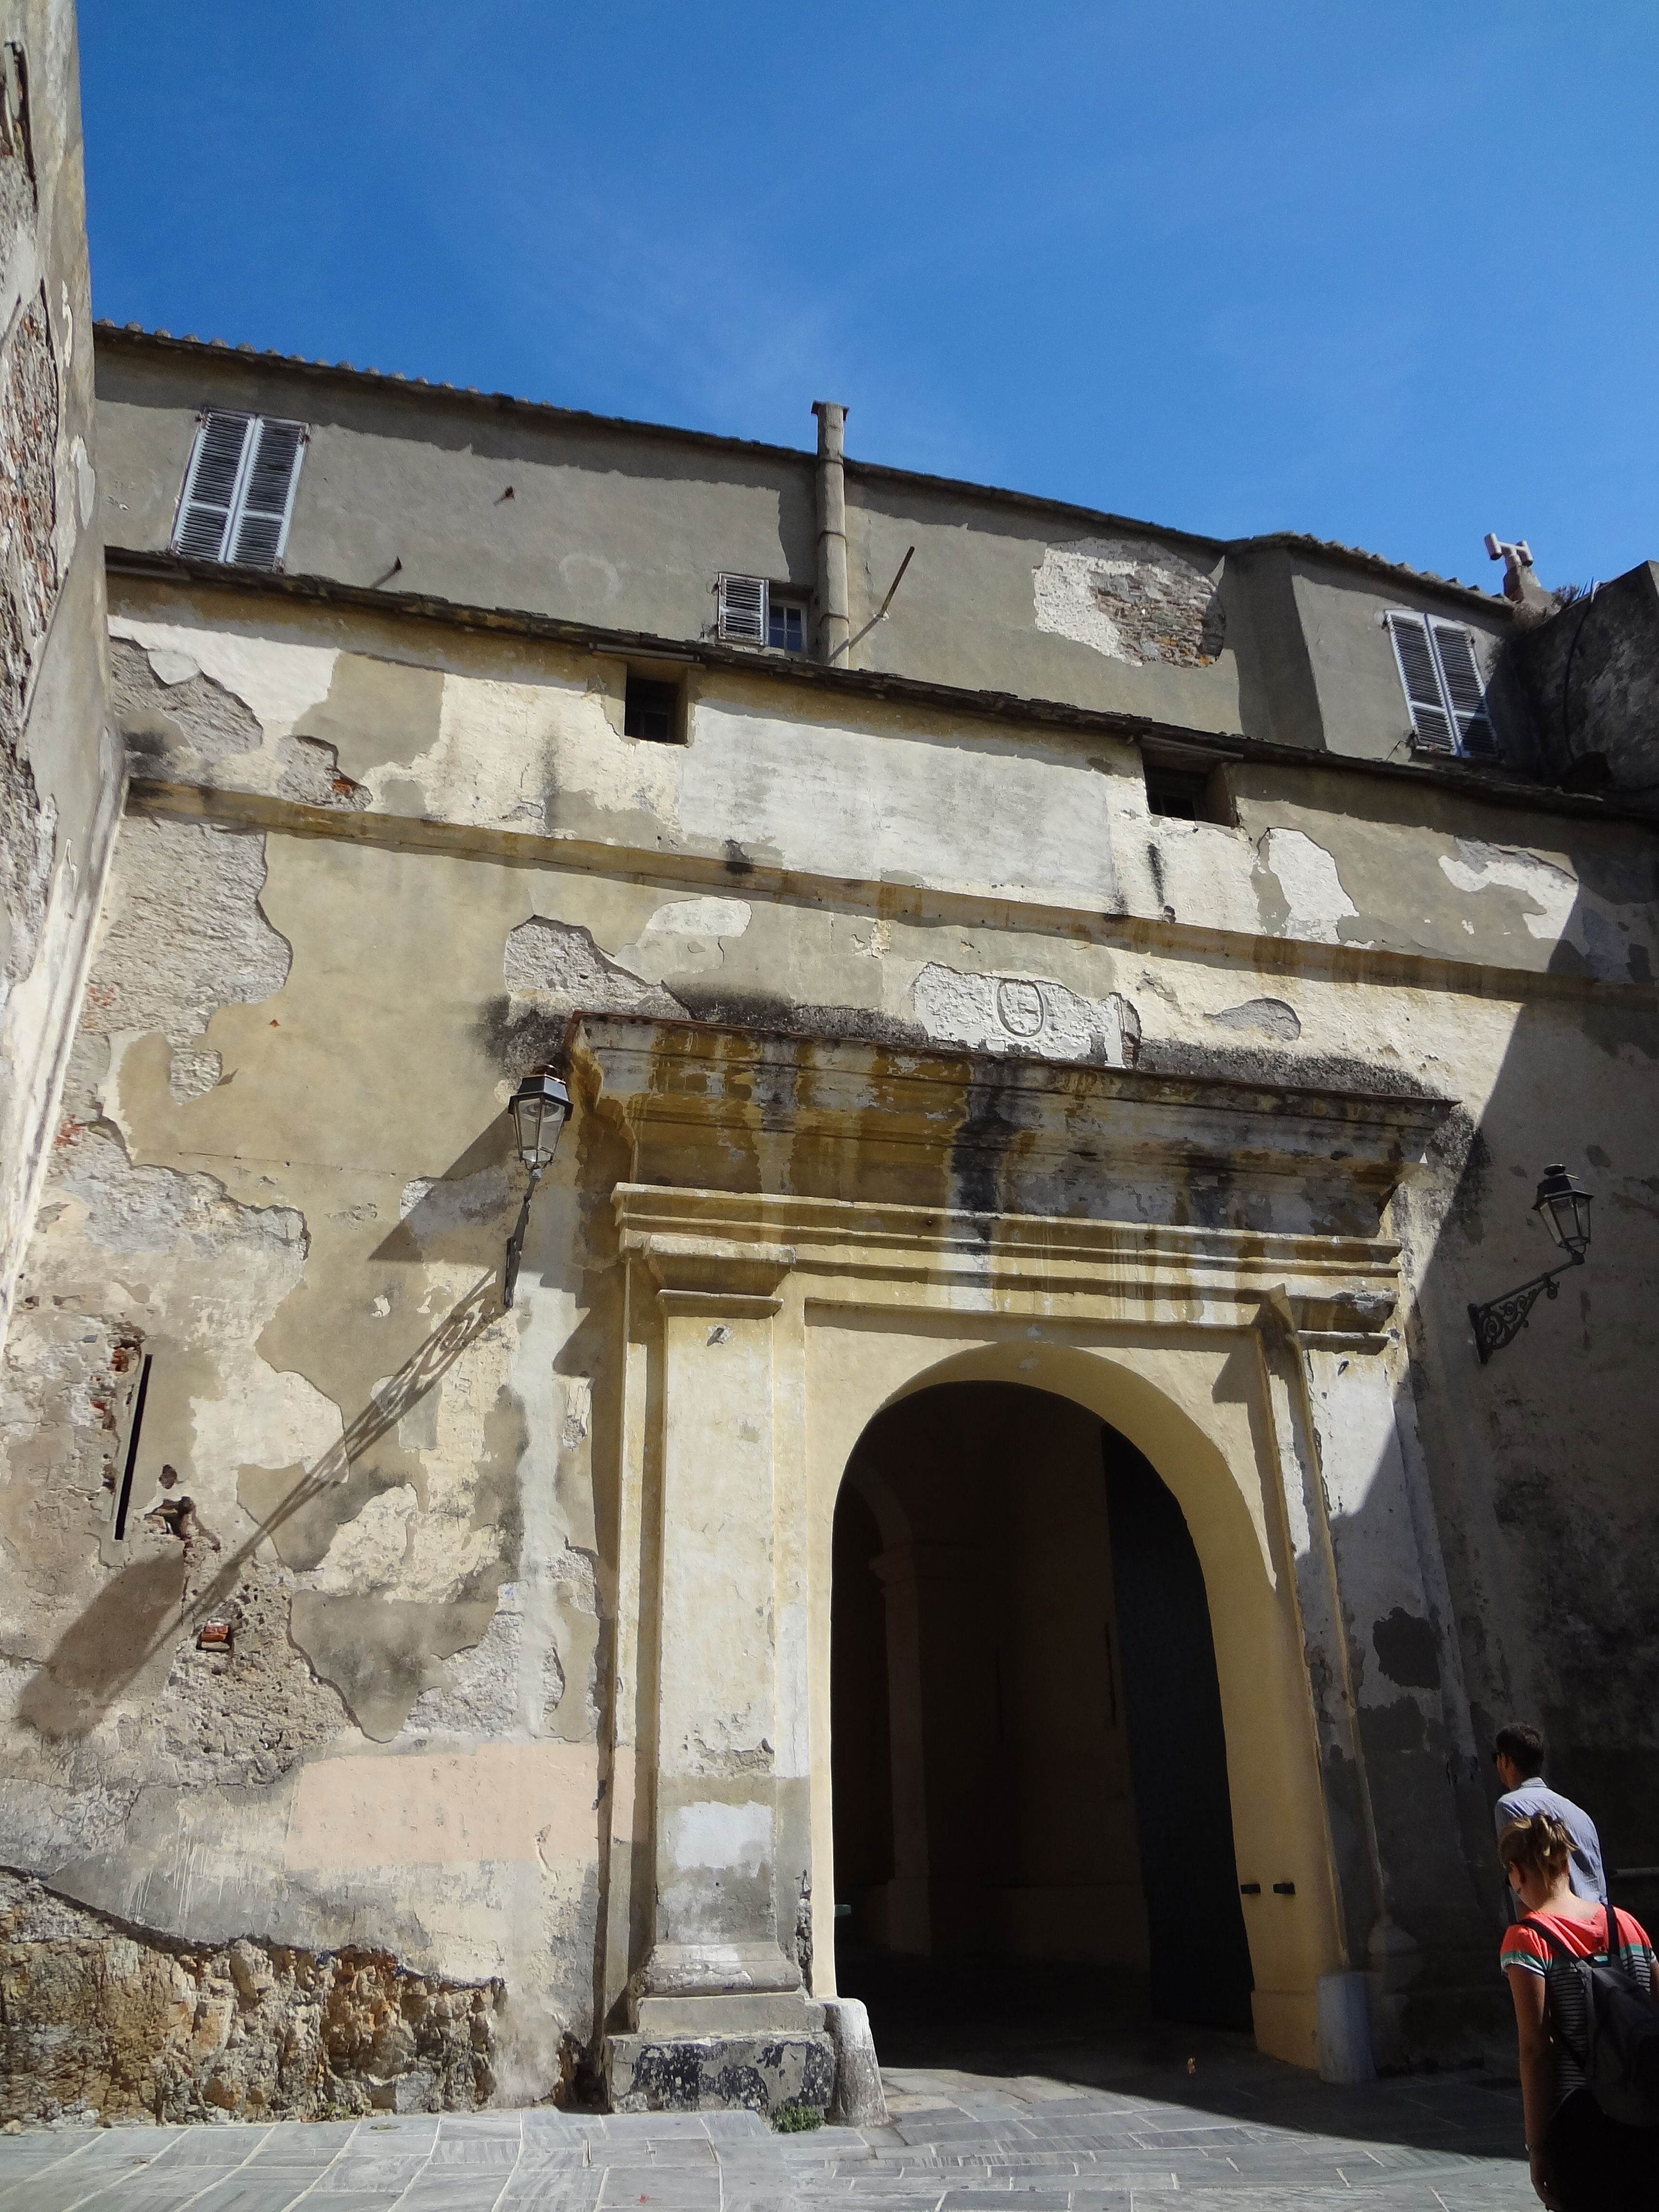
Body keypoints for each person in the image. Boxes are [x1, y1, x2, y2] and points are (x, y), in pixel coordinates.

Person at [1500, 1811, 1656, 2210]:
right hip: (1647, 2106)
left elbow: (1536, 2048)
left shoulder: (1527, 1940)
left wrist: (1536, 2146)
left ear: (1517, 1874)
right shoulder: (1627, 1925)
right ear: (1566, 1863)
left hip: (1582, 2118)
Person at [1494, 1724, 1606, 1905]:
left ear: (1505, 1760)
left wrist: (1527, 1931)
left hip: (1553, 1927)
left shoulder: (1509, 1806)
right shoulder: (1580, 1814)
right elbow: (1598, 1884)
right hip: (1599, 1922)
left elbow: (1523, 1889)